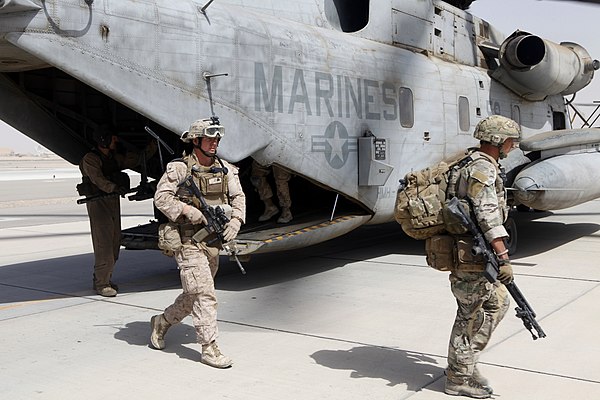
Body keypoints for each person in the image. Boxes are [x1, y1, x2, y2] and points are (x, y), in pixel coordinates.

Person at [149, 117, 246, 369]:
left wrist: (236, 220)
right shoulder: (180, 169)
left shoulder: (225, 169)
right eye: (209, 138)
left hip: (211, 240)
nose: (214, 143)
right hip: (187, 240)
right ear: (196, 140)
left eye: (217, 139)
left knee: (193, 296)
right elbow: (161, 198)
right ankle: (209, 347)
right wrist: (187, 210)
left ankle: (163, 321)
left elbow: (238, 197)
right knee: (204, 293)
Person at [438, 115, 520, 398]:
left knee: (497, 303)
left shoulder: (472, 163)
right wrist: (504, 257)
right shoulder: (481, 170)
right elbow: (487, 217)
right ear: (498, 140)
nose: (513, 145)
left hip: (475, 253)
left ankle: (465, 363)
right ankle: (457, 378)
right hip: (472, 255)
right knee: (468, 317)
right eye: (510, 140)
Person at [79, 124, 154, 297]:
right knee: (103, 244)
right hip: (98, 204)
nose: (116, 141)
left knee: (114, 243)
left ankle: (103, 277)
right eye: (112, 138)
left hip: (111, 202)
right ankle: (102, 284)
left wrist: (150, 148)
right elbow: (98, 179)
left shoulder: (112, 157)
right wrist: (114, 187)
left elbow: (133, 160)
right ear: (103, 140)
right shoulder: (91, 159)